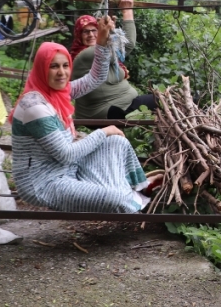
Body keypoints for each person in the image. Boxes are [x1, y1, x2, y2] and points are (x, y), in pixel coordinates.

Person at [8, 16, 150, 213]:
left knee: (118, 143)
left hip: (68, 169)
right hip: (45, 183)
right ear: (41, 69)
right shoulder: (35, 107)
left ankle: (130, 192)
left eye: (65, 65)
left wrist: (101, 40)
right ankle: (129, 197)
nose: (61, 73)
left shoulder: (57, 93)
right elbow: (66, 155)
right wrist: (103, 132)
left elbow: (95, 78)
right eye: (53, 66)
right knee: (116, 198)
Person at [70, 0, 157, 120]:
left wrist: (109, 33)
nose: (91, 35)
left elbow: (111, 46)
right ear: (79, 36)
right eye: (85, 32)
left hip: (116, 106)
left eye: (94, 30)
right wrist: (127, 11)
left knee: (161, 103)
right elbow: (127, 45)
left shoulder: (97, 51)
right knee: (162, 101)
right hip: (107, 112)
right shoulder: (85, 55)